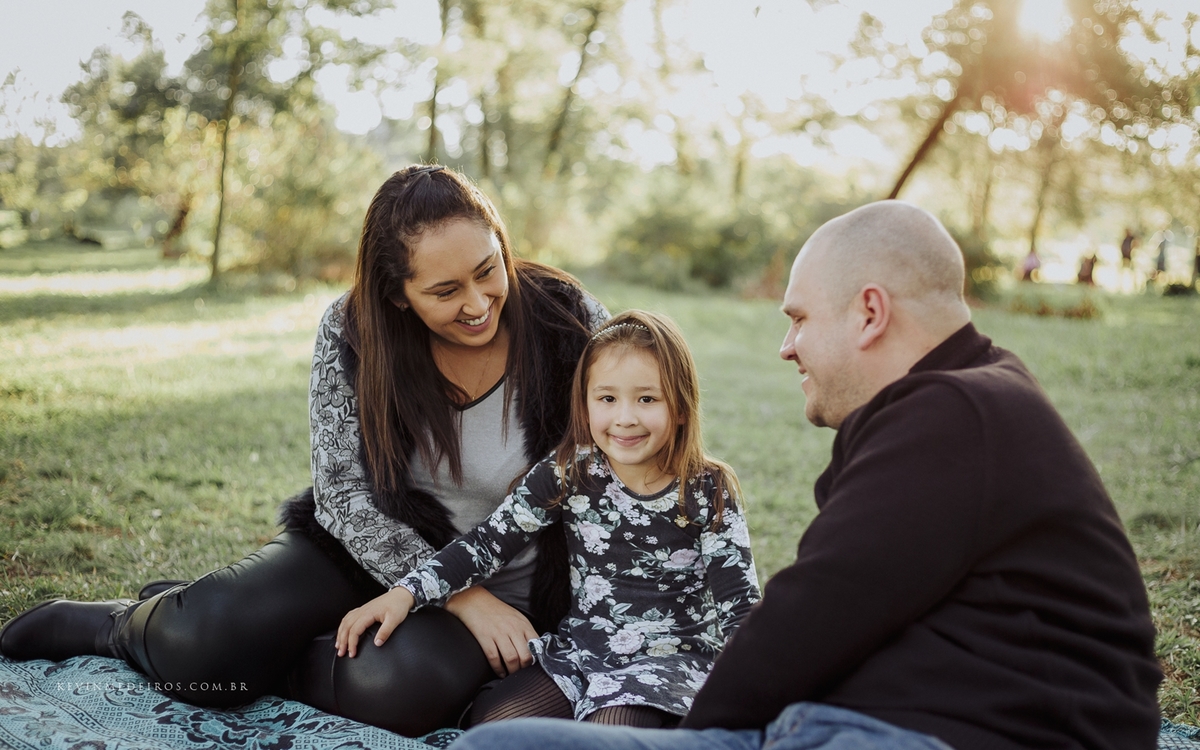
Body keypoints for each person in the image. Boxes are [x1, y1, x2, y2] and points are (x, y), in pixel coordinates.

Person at [449, 201, 1163, 750]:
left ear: (870, 313)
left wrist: (703, 737)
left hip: (936, 736)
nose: (787, 347)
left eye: (798, 319)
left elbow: (812, 609)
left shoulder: (957, 412)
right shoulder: (961, 401)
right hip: (856, 723)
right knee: (501, 741)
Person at [0, 165, 608, 736]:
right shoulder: (352, 331)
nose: (477, 303)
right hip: (366, 553)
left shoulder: (569, 321)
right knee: (202, 650)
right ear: (397, 295)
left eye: (488, 269)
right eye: (446, 290)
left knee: (396, 686)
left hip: (522, 587)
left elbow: (641, 455)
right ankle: (121, 627)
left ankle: (273, 654)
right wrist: (459, 593)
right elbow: (343, 497)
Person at [338, 310, 761, 729]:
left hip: (670, 664)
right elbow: (486, 544)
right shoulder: (569, 472)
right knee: (495, 729)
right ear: (587, 402)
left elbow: (739, 608)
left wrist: (754, 693)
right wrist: (405, 593)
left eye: (647, 399)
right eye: (607, 398)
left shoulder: (708, 488)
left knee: (608, 732)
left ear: (681, 407)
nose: (625, 417)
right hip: (584, 652)